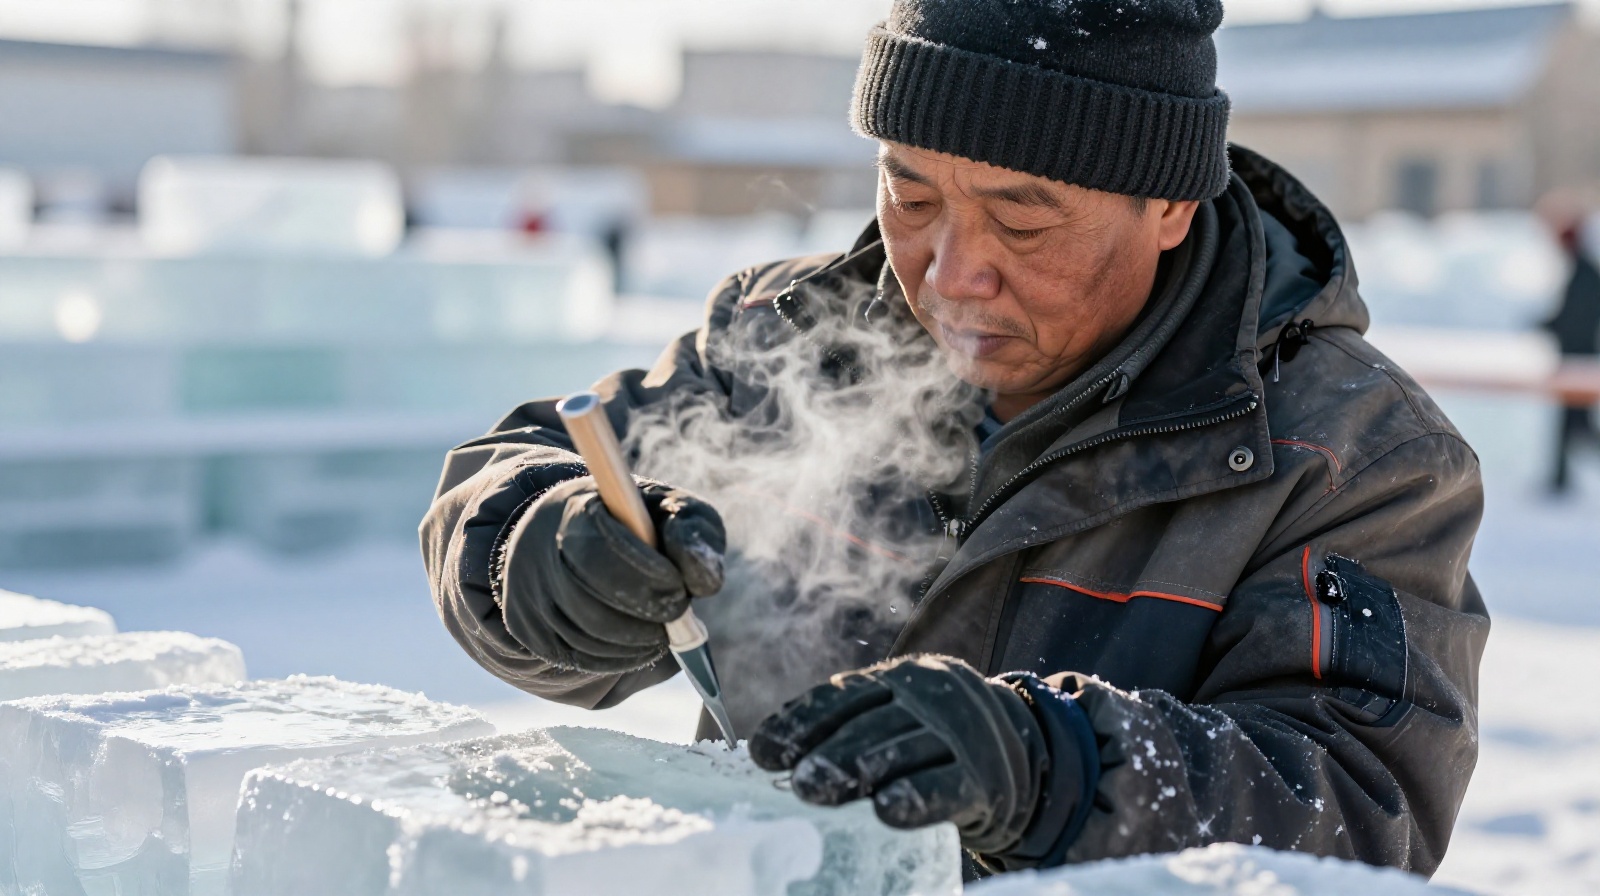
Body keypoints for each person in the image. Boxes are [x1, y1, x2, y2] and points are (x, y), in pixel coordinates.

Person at [421, 0, 1486, 879]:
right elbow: (514, 475)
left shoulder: (1355, 456)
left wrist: (1053, 767)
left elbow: (1358, 809)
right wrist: (541, 559)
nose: (948, 272)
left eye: (1021, 220)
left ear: (1167, 204)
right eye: (909, 192)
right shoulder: (788, 337)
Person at [1542, 212, 1600, 493]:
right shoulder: (1581, 267)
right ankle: (1559, 478)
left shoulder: (1585, 270)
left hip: (1579, 358)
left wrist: (1555, 325)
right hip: (1574, 356)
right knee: (1571, 423)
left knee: (1578, 425)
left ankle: (1559, 478)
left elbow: (1580, 316)